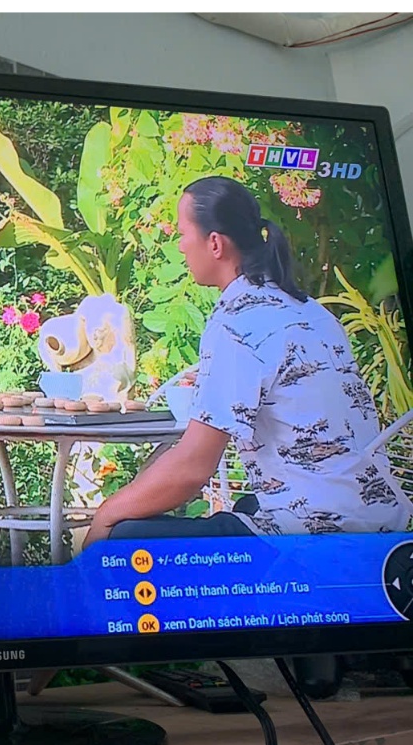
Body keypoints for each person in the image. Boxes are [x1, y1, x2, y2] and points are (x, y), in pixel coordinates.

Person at [84, 175, 413, 547]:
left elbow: (193, 468)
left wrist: (106, 514)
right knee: (246, 505)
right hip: (381, 520)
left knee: (120, 538)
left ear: (214, 244)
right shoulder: (311, 310)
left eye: (183, 234)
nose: (180, 246)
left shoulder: (238, 321)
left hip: (313, 535)